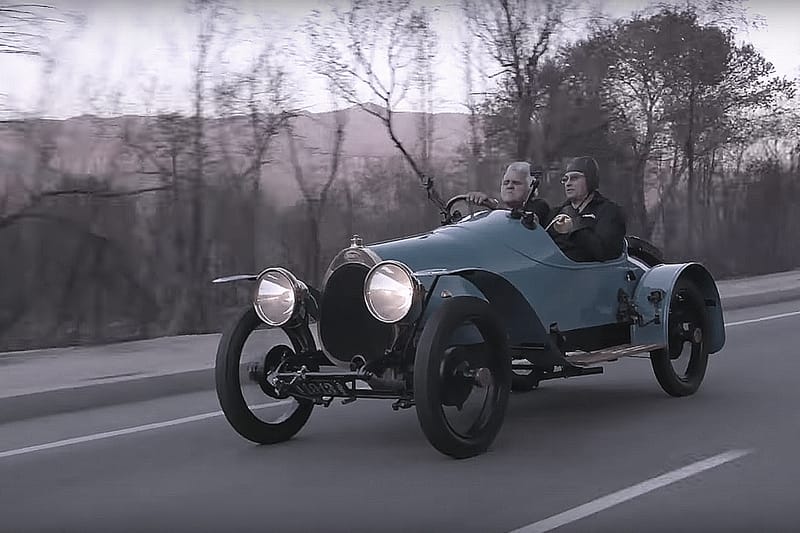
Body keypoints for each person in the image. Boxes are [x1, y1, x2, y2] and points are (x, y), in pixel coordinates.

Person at [547, 156, 626, 262]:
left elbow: (606, 253)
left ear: (590, 180)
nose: (568, 183)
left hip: (592, 274)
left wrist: (574, 223)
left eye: (574, 178)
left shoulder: (609, 211)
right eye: (565, 179)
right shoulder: (555, 213)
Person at [465, 161, 551, 223]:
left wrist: (495, 208)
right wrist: (487, 206)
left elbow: (520, 222)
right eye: (506, 183)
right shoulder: (498, 209)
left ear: (531, 187)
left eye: (516, 183)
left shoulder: (540, 206)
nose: (509, 186)